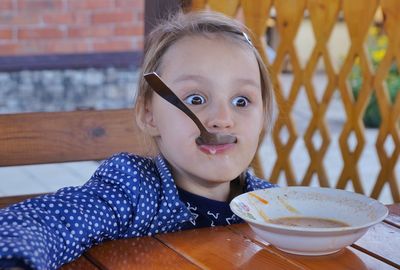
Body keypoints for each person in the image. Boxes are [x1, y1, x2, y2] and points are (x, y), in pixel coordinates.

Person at [0, 10, 276, 270]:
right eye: (196, 99)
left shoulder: (274, 206)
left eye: (241, 101)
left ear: (263, 115)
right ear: (149, 114)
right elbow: (44, 222)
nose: (222, 119)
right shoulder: (130, 191)